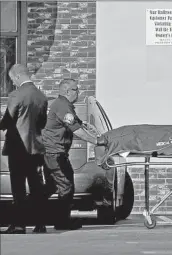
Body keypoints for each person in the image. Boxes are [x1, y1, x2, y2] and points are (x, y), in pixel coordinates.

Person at [42, 78, 107, 230]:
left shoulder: (64, 106)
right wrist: (97, 141)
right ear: (66, 91)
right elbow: (77, 131)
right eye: (76, 89)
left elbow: (78, 124)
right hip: (55, 154)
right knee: (66, 186)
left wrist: (87, 126)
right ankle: (62, 222)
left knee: (51, 187)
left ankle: (26, 212)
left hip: (54, 153)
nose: (78, 92)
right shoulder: (63, 106)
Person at [0, 64, 48, 234]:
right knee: (36, 186)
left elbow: (7, 121)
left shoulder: (16, 95)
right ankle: (40, 224)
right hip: (36, 147)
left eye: (13, 79)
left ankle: (19, 225)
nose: (13, 83)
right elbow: (42, 122)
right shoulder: (41, 96)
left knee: (18, 187)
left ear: (18, 76)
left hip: (17, 148)